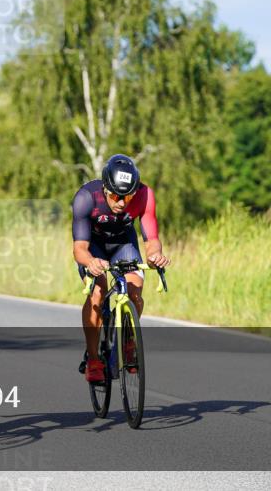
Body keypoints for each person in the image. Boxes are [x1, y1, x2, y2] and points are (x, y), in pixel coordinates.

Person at [72, 154, 170, 383]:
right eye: (116, 196)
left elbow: (152, 239)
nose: (122, 203)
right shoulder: (86, 197)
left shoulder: (145, 195)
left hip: (123, 245)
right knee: (97, 293)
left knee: (135, 293)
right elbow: (79, 249)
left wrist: (155, 256)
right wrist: (91, 262)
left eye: (128, 196)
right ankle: (94, 359)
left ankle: (128, 341)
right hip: (93, 246)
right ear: (106, 189)